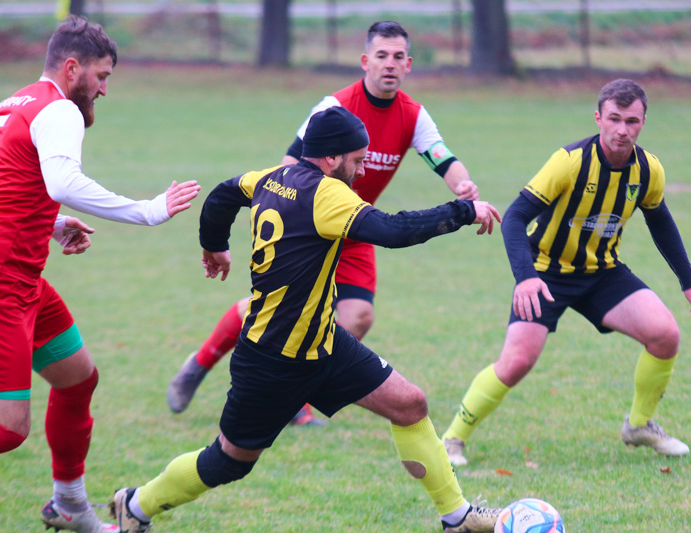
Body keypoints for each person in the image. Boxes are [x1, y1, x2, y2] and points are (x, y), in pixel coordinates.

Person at [110, 107, 503, 533]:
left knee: (409, 403)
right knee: (227, 461)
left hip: (324, 344)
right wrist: (463, 210)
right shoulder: (326, 195)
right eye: (358, 159)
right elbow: (392, 231)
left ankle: (456, 517)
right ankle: (135, 505)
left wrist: (214, 245)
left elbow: (222, 194)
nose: (362, 169)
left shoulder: (271, 177)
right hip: (272, 360)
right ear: (333, 159)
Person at [0, 16, 200, 533]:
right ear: (73, 68)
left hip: (16, 277)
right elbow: (62, 179)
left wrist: (51, 224)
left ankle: (68, 502)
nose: (105, 90)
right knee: (3, 430)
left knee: (77, 379)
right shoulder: (61, 107)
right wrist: (148, 210)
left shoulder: (10, 105)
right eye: (102, 76)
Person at [166, 21, 481, 423]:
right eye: (381, 56)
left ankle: (296, 390)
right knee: (277, 309)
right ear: (365, 61)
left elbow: (445, 160)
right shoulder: (334, 106)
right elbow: (288, 163)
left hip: (359, 226)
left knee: (358, 316)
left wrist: (465, 186)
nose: (389, 64)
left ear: (409, 65)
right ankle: (200, 363)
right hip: (309, 225)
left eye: (398, 57)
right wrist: (288, 212)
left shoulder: (414, 116)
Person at [441, 79, 691, 467]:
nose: (622, 129)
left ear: (643, 122)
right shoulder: (570, 162)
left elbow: (661, 221)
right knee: (517, 361)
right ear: (598, 118)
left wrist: (690, 282)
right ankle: (452, 438)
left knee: (665, 335)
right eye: (614, 118)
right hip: (546, 272)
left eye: (631, 121)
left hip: (603, 273)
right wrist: (526, 277)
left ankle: (638, 425)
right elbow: (515, 217)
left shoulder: (649, 170)